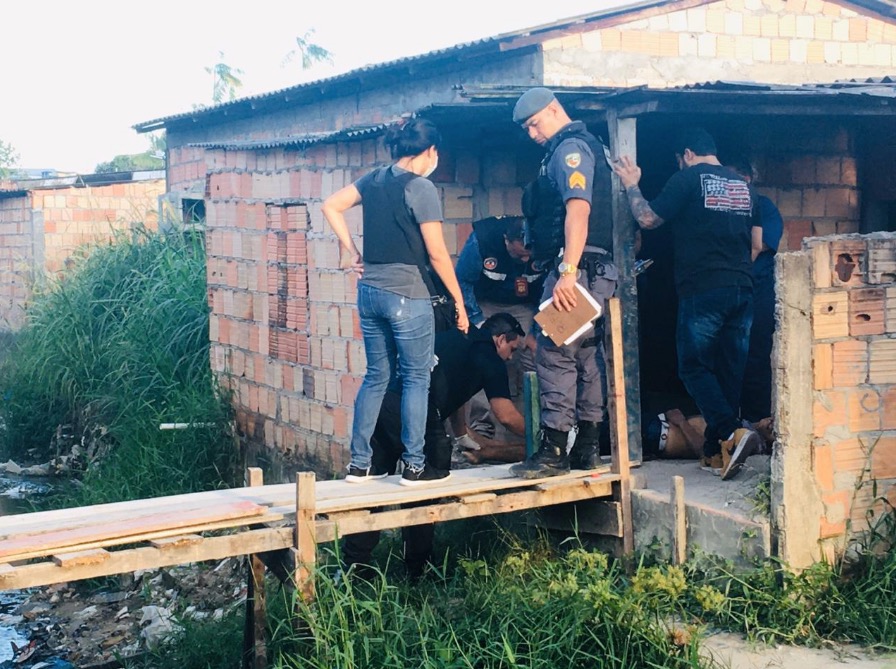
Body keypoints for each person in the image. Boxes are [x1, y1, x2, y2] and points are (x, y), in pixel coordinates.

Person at [322, 117, 469, 487]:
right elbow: (437, 254)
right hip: (408, 295)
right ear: (430, 151)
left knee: (376, 377)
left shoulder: (373, 179)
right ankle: (415, 466)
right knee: (416, 378)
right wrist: (459, 301)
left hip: (369, 292)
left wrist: (350, 250)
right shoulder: (420, 188)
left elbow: (330, 205)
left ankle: (359, 464)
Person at [612, 127, 763, 480]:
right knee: (728, 369)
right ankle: (715, 451)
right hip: (742, 287)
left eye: (680, 161)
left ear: (688, 154)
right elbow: (756, 244)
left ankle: (730, 430)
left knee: (694, 367)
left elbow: (648, 219)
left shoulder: (689, 178)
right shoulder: (745, 188)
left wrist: (632, 184)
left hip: (704, 288)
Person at [341, 313, 528, 579]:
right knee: (425, 487)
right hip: (417, 413)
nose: (510, 357)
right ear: (500, 339)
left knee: (372, 486)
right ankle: (419, 569)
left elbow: (455, 388)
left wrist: (462, 433)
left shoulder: (457, 338)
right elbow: (506, 415)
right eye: (512, 349)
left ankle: (354, 567)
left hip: (380, 405)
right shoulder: (488, 355)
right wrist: (540, 434)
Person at [507, 87, 618, 480]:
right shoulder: (589, 146)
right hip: (596, 269)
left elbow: (578, 209)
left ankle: (554, 449)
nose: (533, 133)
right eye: (527, 129)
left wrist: (567, 272)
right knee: (586, 355)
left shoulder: (571, 149)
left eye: (535, 123)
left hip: (579, 269)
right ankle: (587, 447)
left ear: (554, 110)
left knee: (554, 352)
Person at [455, 215, 547, 439]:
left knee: (531, 357)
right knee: (482, 357)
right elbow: (462, 280)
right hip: (485, 304)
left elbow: (547, 289)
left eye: (528, 254)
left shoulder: (545, 243)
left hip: (525, 307)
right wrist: (476, 319)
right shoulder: (482, 241)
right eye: (519, 253)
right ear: (507, 240)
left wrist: (536, 330)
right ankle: (482, 429)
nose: (524, 259)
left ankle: (531, 426)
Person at [726, 156, 783, 425]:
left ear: (748, 178)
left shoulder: (764, 207)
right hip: (727, 289)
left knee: (756, 356)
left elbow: (760, 245)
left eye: (735, 177)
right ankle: (727, 424)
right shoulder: (722, 210)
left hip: (758, 290)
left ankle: (756, 422)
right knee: (724, 357)